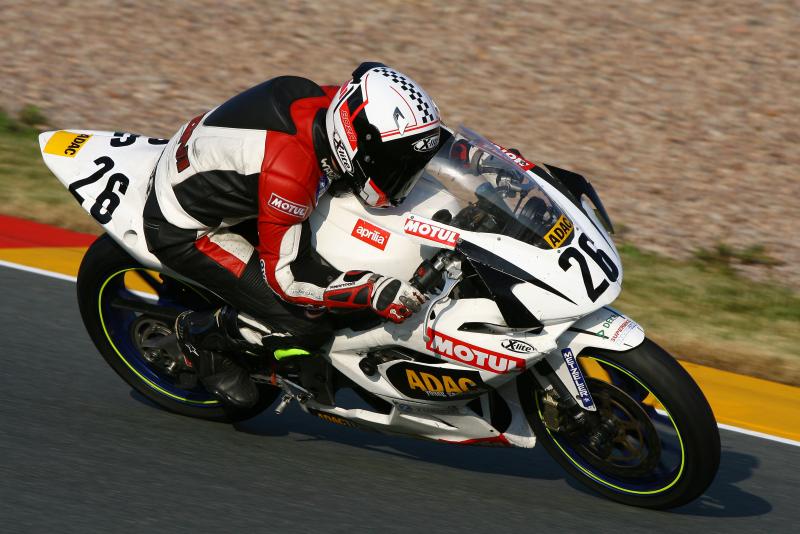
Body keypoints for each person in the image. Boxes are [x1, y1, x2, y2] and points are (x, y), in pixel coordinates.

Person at [143, 62, 442, 409]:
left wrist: (482, 163)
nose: (402, 175)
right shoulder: (291, 176)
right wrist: (372, 290)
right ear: (357, 145)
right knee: (307, 326)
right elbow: (287, 278)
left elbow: (409, 137)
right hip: (187, 229)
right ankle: (202, 338)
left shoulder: (342, 108)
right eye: (393, 164)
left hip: (220, 167)